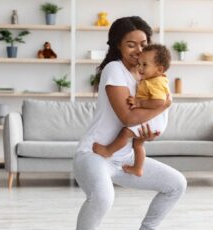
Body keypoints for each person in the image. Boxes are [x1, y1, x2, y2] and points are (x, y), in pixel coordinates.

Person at [73, 16, 187, 230]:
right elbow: (128, 118)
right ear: (118, 45)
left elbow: (141, 119)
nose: (138, 49)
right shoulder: (114, 69)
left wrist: (144, 136)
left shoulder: (146, 75)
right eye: (130, 44)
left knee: (177, 184)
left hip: (125, 157)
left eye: (143, 44)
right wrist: (164, 105)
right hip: (94, 154)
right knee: (103, 198)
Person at [92, 43, 171, 177]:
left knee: (125, 133)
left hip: (154, 119)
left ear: (159, 69)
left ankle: (108, 150)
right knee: (138, 143)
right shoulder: (151, 79)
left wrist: (138, 102)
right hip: (154, 119)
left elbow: (159, 102)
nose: (139, 68)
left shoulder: (157, 82)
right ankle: (138, 168)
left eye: (144, 65)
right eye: (139, 64)